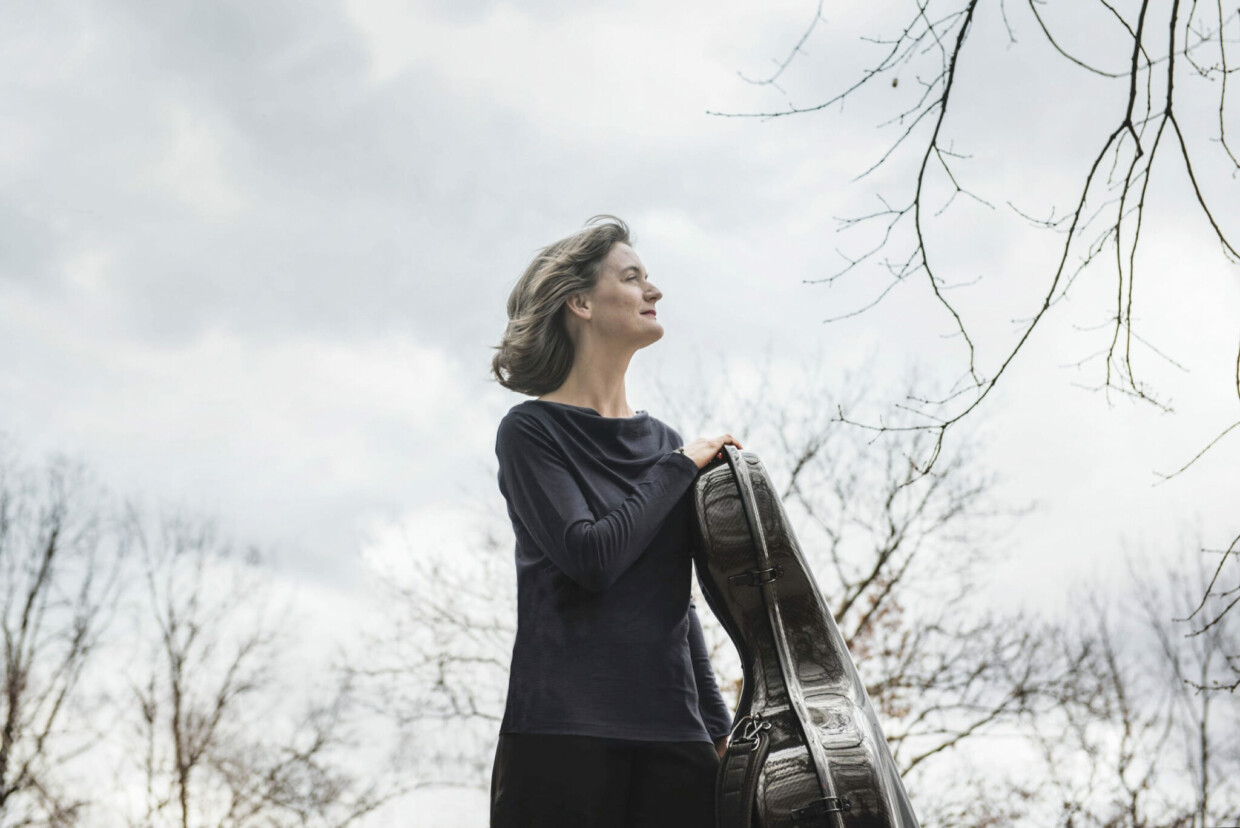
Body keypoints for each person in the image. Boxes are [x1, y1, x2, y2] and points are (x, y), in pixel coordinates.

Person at [487, 215, 743, 827]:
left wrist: (717, 727)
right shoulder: (531, 432)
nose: (653, 292)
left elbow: (676, 605)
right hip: (561, 735)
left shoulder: (665, 444)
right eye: (633, 278)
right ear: (580, 302)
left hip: (674, 738)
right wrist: (677, 468)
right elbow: (592, 557)